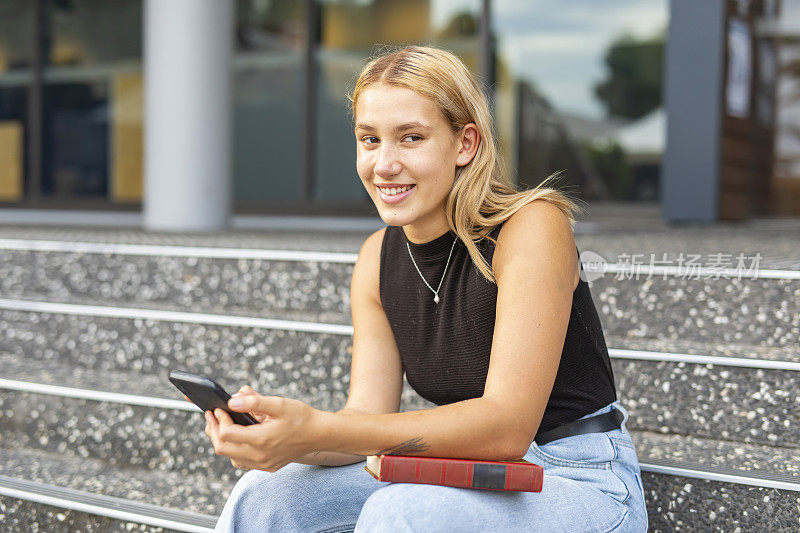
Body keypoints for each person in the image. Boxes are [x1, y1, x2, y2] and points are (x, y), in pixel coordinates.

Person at [205, 45, 648, 532]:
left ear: (465, 144)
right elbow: (366, 418)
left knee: (401, 514)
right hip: (464, 472)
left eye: (411, 138)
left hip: (579, 478)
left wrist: (319, 427)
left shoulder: (532, 226)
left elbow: (507, 427)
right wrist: (285, 439)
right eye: (369, 139)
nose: (384, 165)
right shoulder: (377, 257)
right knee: (267, 496)